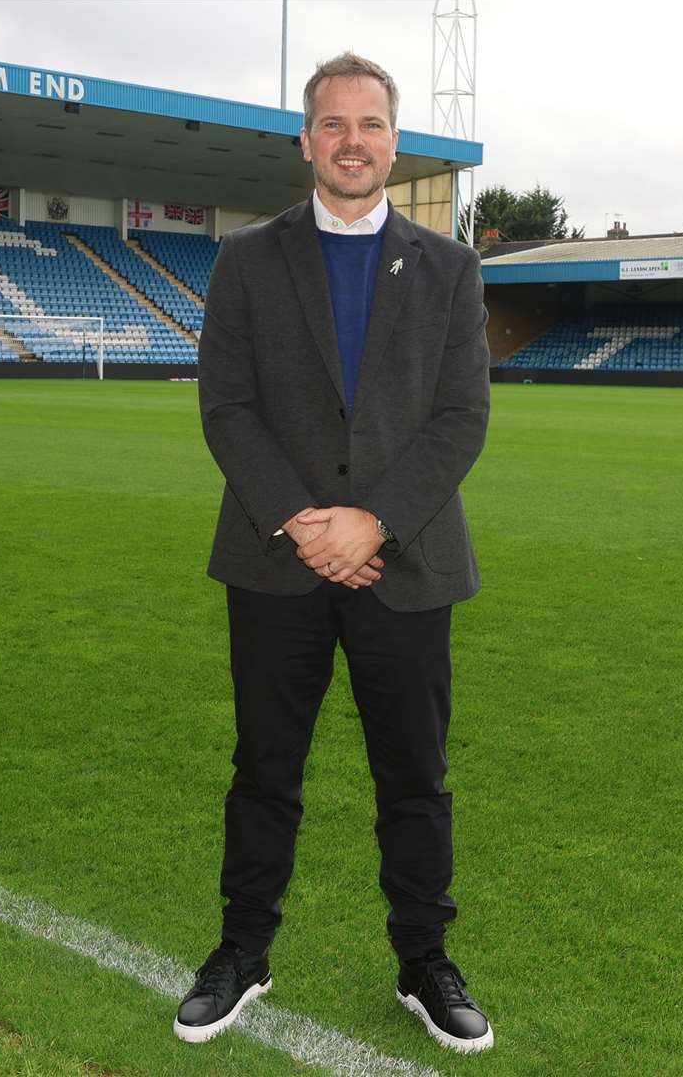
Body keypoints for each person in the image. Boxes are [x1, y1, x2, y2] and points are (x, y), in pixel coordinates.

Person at [173, 51, 493, 1055]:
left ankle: (423, 962)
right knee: (264, 769)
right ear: (306, 140)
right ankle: (241, 951)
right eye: (332, 125)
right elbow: (226, 408)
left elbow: (459, 418)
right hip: (278, 563)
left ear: (395, 141)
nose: (352, 142)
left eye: (370, 124)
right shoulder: (245, 260)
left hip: (407, 565)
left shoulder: (450, 269)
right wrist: (307, 523)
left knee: (416, 778)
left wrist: (375, 523)